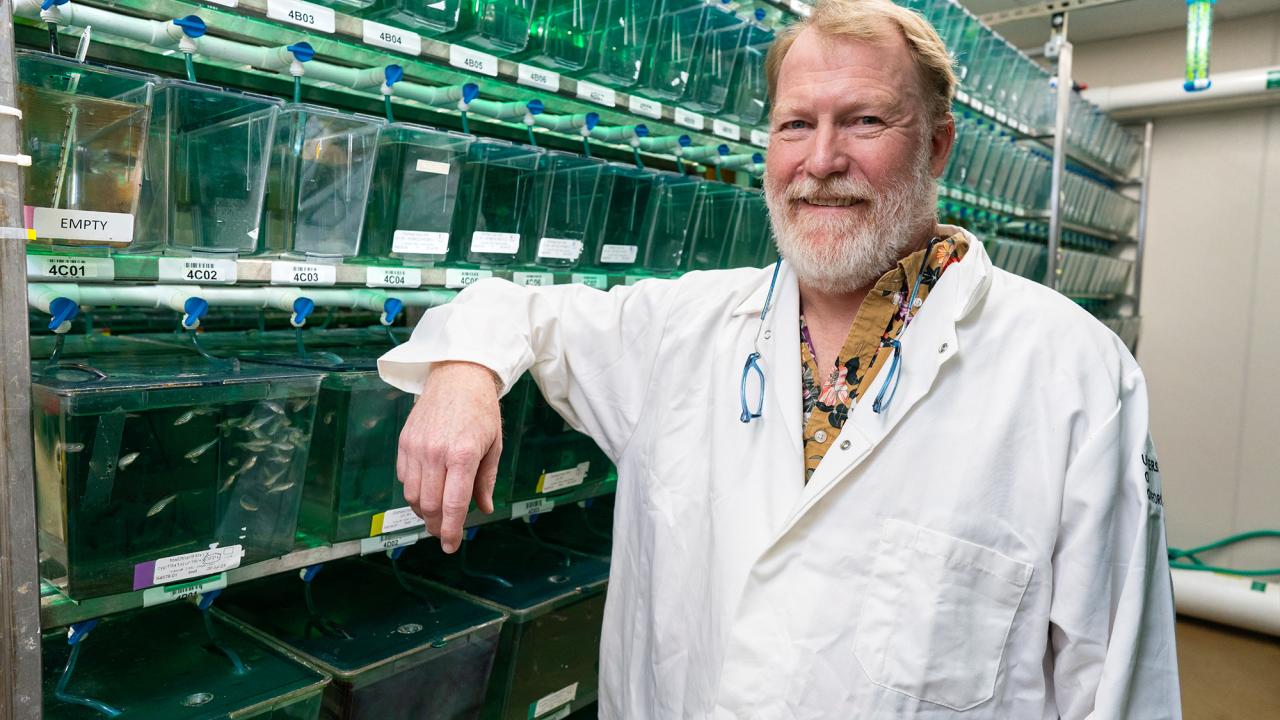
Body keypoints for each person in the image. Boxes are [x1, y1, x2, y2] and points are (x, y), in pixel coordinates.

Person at [378, 0, 1182, 716]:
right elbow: (513, 309)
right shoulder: (684, 327)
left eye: (865, 122)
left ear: (937, 147)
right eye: (796, 124)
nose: (821, 160)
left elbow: (1117, 684)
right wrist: (464, 373)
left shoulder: (1075, 376)